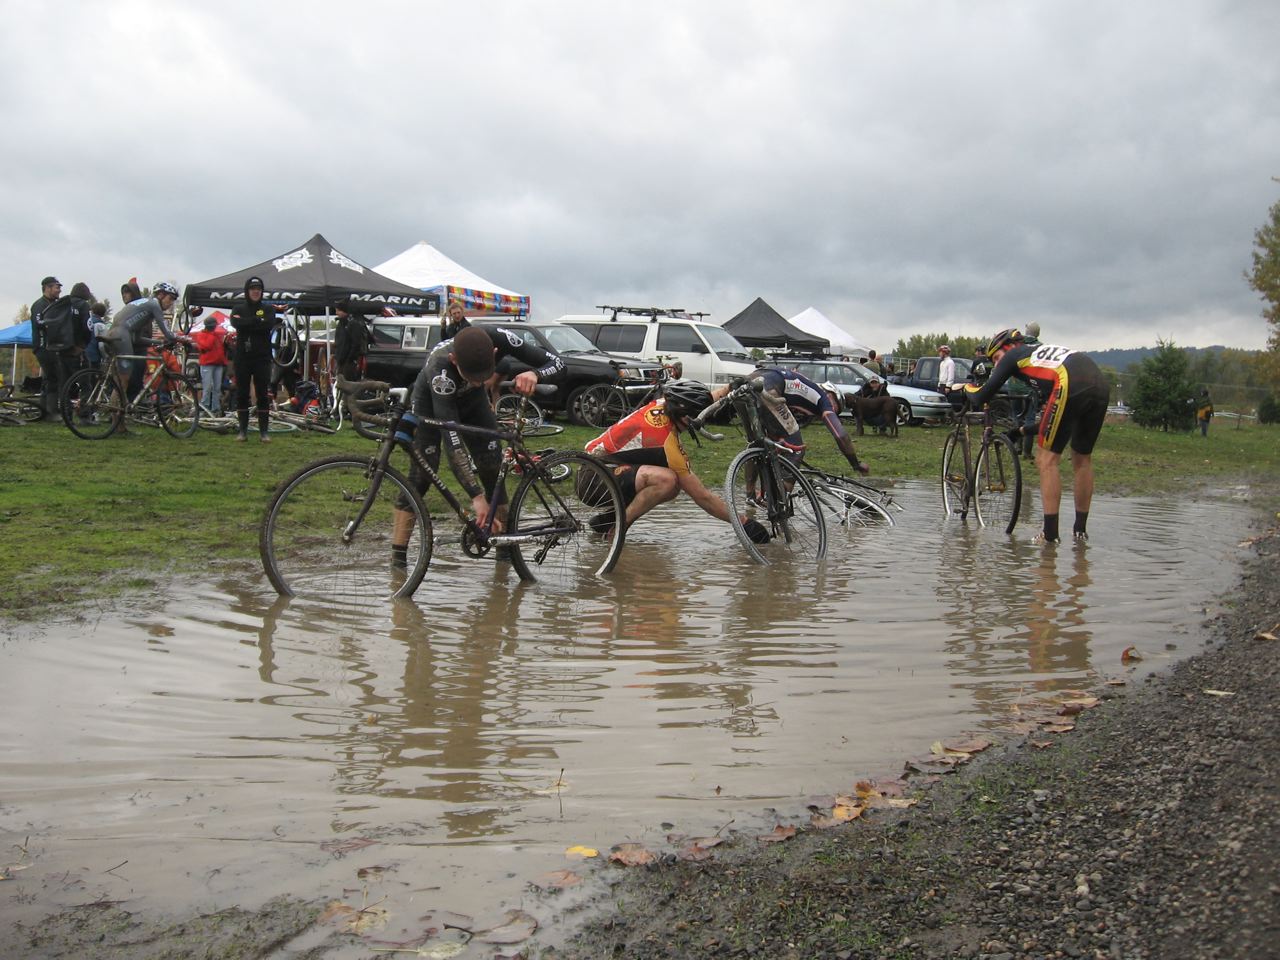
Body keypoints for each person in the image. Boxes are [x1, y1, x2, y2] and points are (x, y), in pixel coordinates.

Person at [392, 325, 566, 562]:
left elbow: (557, 362)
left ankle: (504, 548)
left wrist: (536, 374)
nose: (477, 382)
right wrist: (475, 496)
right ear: (454, 360)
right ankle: (398, 556)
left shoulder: (500, 338)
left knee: (491, 467)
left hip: (474, 404)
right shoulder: (440, 366)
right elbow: (452, 441)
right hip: (431, 402)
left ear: (494, 352)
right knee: (422, 474)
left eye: (483, 377)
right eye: (471, 377)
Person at [964, 328, 1108, 545]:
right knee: (1082, 459)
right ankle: (1080, 532)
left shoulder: (1014, 355)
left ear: (1009, 346)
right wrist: (1020, 431)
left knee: (1046, 460)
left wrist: (964, 387)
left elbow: (982, 395)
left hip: (1068, 377)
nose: (997, 364)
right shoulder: (1039, 357)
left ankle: (1050, 535)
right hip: (1098, 381)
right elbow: (1055, 423)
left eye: (996, 357)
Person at [584, 379, 771, 542]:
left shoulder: (665, 404)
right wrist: (745, 523)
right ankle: (617, 529)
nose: (701, 418)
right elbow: (702, 497)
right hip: (593, 480)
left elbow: (700, 402)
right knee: (667, 481)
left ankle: (608, 520)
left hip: (599, 468)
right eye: (697, 415)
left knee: (673, 487)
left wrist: (729, 388)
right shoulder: (667, 443)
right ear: (686, 415)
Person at [99, 282, 182, 435]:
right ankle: (117, 423)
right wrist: (181, 339)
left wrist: (158, 342)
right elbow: (167, 332)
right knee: (123, 382)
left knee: (119, 382)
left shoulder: (143, 304)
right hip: (121, 336)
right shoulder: (154, 305)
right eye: (170, 299)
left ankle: (118, 423)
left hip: (113, 334)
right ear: (161, 295)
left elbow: (137, 339)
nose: (171, 303)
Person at [229, 276, 281, 442]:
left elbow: (268, 324)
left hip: (262, 357)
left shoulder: (268, 308)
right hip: (242, 356)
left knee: (262, 394)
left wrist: (248, 323)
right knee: (242, 394)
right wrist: (255, 321)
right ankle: (242, 431)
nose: (256, 292)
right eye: (253, 289)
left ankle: (263, 432)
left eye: (258, 289)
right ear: (247, 291)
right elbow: (235, 323)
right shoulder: (238, 308)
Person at [30, 276, 63, 419]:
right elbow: (38, 322)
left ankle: (43, 411)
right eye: (57, 287)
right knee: (52, 378)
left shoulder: (54, 303)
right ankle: (50, 412)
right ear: (48, 288)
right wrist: (57, 323)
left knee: (49, 379)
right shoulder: (39, 304)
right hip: (44, 347)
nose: (59, 290)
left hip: (53, 347)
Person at [190, 315, 229, 414]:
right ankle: (205, 407)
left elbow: (220, 350)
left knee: (217, 388)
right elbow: (207, 346)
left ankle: (215, 408)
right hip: (207, 363)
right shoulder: (202, 335)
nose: (215, 327)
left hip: (217, 363)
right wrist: (213, 335)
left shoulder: (214, 335)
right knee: (207, 387)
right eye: (214, 325)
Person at [333, 299, 373, 382]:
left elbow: (356, 344)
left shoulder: (353, 324)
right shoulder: (341, 324)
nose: (336, 313)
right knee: (340, 384)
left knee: (348, 384)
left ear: (344, 310)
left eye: (338, 311)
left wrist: (350, 359)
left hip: (349, 362)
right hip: (341, 360)